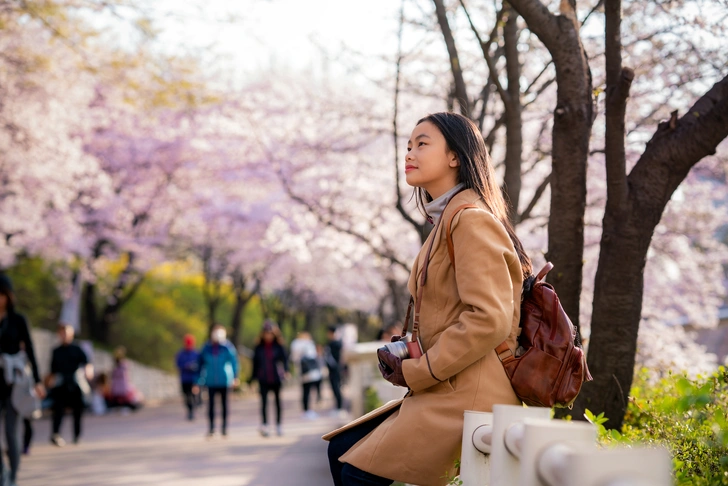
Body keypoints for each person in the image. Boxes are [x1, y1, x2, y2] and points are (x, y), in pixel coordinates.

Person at [325, 112, 532, 486]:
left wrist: (421, 370)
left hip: (469, 392)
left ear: (455, 156)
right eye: (408, 146)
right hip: (450, 386)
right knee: (342, 450)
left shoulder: (470, 219)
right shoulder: (448, 220)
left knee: (356, 471)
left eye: (422, 144)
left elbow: (489, 318)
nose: (410, 153)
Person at [0, 274, 44, 484]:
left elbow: (31, 350)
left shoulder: (18, 320)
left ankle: (13, 478)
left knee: (11, 433)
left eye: (2, 295)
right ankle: (3, 475)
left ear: (9, 296)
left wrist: (37, 380)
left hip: (14, 384)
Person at [48, 324, 92, 447]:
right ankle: (55, 434)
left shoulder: (77, 348)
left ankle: (76, 436)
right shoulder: (56, 351)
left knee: (77, 411)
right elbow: (52, 370)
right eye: (62, 333)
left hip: (75, 383)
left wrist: (88, 370)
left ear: (71, 334)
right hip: (61, 384)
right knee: (58, 409)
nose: (64, 335)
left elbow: (87, 362)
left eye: (66, 333)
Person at [249, 320, 288, 437]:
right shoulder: (259, 347)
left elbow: (284, 359)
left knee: (277, 402)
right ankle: (265, 425)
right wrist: (252, 379)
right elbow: (255, 363)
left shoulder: (279, 346)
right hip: (263, 378)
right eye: (266, 332)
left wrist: (286, 371)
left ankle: (278, 425)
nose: (268, 335)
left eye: (270, 332)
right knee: (264, 402)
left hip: (276, 377)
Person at [198, 324, 239, 437]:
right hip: (210, 380)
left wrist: (235, 377)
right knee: (210, 405)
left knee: (224, 405)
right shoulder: (206, 348)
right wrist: (198, 380)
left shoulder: (227, 347)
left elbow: (234, 362)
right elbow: (200, 364)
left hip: (224, 380)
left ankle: (224, 428)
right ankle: (211, 428)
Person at [289, 331, 322, 419]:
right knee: (308, 392)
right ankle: (307, 410)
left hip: (302, 372)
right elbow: (313, 356)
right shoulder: (308, 344)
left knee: (305, 392)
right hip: (310, 372)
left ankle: (305, 410)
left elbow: (294, 358)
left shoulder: (295, 344)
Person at [107, 346, 142, 412]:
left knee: (122, 399)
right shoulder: (121, 366)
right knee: (124, 399)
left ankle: (124, 406)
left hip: (119, 387)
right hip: (122, 386)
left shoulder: (118, 367)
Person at [175, 334, 201, 421]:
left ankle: (193, 410)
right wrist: (186, 366)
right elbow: (178, 365)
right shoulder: (181, 354)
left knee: (193, 395)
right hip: (184, 379)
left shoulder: (196, 354)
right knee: (186, 396)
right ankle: (189, 410)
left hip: (194, 379)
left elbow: (200, 366)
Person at [324, 326, 344, 414]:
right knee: (333, 388)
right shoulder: (330, 343)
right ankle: (337, 407)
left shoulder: (337, 343)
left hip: (336, 369)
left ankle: (340, 408)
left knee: (337, 388)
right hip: (331, 370)